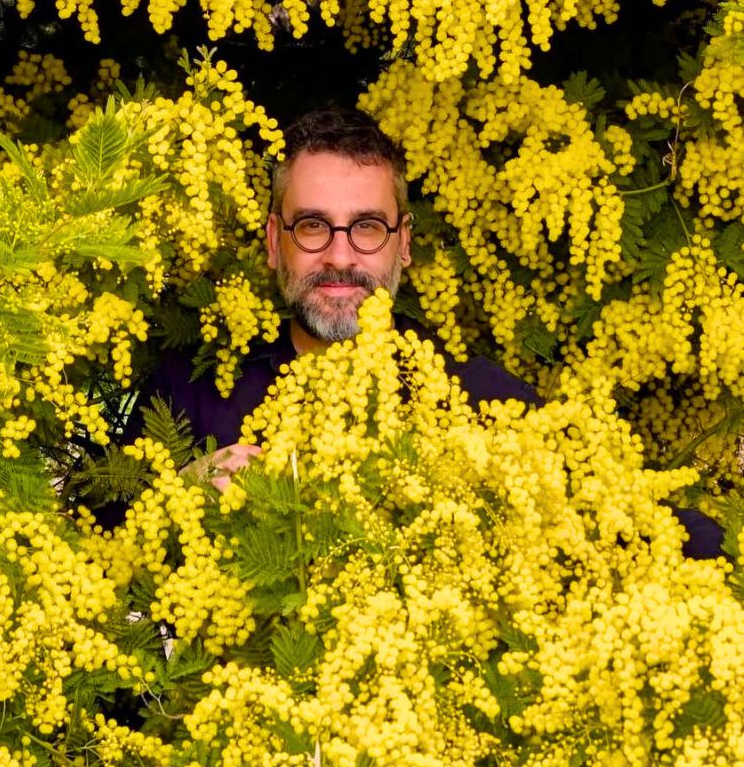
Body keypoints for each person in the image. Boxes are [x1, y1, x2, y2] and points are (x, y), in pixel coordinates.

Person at [123, 107, 722, 560]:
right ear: (274, 240)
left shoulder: (481, 398)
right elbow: (95, 547)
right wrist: (179, 500)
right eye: (312, 226)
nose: (339, 255)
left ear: (403, 243)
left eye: (366, 227)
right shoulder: (189, 395)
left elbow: (650, 526)